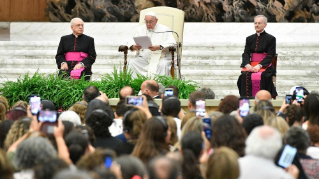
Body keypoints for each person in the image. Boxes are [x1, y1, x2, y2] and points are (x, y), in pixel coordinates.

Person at [237, 15, 277, 98]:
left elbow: (270, 55)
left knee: (263, 76)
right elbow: (246, 54)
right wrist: (247, 65)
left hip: (265, 65)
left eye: (259, 23)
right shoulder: (249, 38)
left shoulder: (271, 38)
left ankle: (263, 99)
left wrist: (259, 65)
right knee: (243, 76)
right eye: (255, 23)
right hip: (251, 65)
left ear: (265, 25)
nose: (257, 25)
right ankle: (245, 100)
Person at [127, 11, 176, 77]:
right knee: (132, 62)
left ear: (156, 20)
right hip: (145, 57)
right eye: (146, 22)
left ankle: (159, 86)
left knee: (162, 65)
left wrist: (159, 47)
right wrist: (134, 47)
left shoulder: (165, 29)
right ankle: (136, 85)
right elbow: (130, 42)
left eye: (150, 21)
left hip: (161, 57)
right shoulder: (139, 29)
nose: (148, 24)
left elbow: (172, 43)